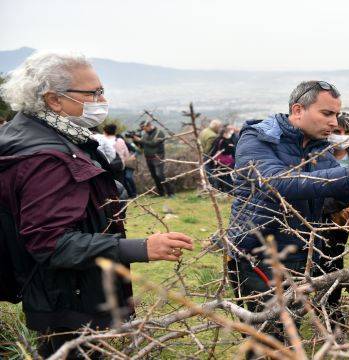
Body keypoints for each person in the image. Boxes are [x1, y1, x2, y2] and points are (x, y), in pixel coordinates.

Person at [0, 51, 193, 358]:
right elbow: (50, 243)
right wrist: (140, 247)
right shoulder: (45, 158)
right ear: (54, 100)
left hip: (64, 297)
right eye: (93, 93)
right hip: (69, 307)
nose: (101, 99)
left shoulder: (45, 135)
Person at [226, 81, 349, 345]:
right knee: (267, 338)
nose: (334, 122)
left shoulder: (317, 148)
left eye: (336, 115)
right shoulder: (258, 139)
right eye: (327, 114)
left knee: (286, 328)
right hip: (259, 255)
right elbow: (274, 182)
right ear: (298, 110)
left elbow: (338, 191)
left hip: (300, 255)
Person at [317, 112, 349, 326]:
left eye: (348, 132)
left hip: (342, 219)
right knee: (316, 261)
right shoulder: (317, 154)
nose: (342, 136)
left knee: (335, 259)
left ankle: (332, 308)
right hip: (317, 216)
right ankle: (316, 303)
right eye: (337, 131)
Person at [133, 120, 174, 197]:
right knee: (154, 175)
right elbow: (142, 146)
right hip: (148, 157)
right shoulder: (145, 134)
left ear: (149, 125)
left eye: (144, 128)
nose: (143, 130)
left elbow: (153, 143)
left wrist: (141, 140)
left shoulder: (159, 133)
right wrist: (135, 141)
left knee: (160, 175)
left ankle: (170, 192)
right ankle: (161, 193)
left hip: (158, 156)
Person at [207, 124, 237, 192]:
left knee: (225, 177)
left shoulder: (229, 140)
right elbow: (214, 152)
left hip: (226, 163)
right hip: (222, 163)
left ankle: (226, 192)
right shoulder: (220, 141)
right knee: (224, 178)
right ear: (225, 133)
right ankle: (227, 192)